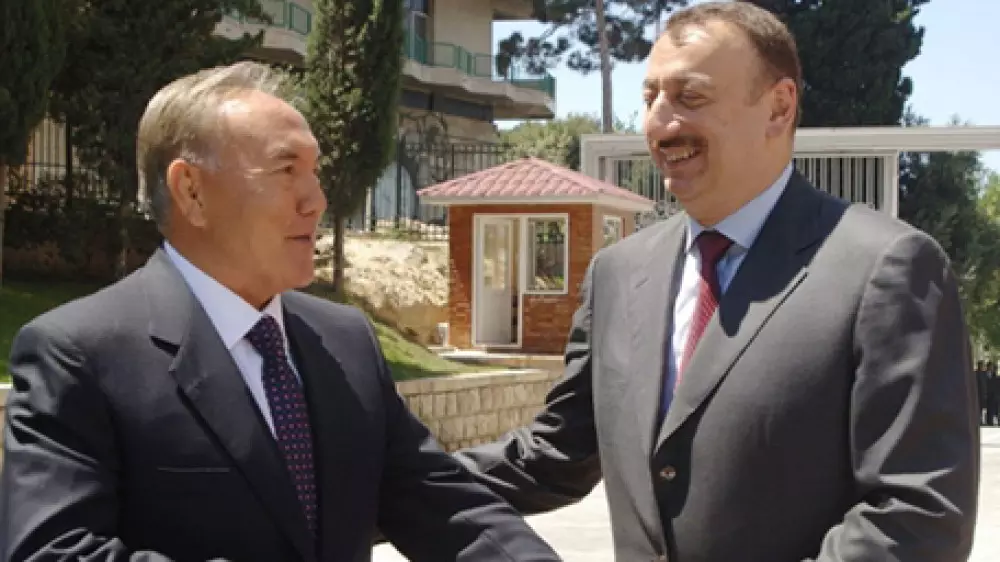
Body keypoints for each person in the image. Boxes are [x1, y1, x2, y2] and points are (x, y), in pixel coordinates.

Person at [453, 3, 980, 561]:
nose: (659, 124)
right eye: (650, 98)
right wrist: (403, 477)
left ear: (779, 107)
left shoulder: (886, 268)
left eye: (690, 97)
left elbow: (917, 516)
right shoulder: (617, 274)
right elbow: (557, 453)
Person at [0, 62, 561, 562]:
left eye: (315, 171)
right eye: (285, 169)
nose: (316, 200)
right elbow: (51, 551)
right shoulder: (81, 355)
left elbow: (442, 506)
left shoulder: (345, 341)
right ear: (191, 191)